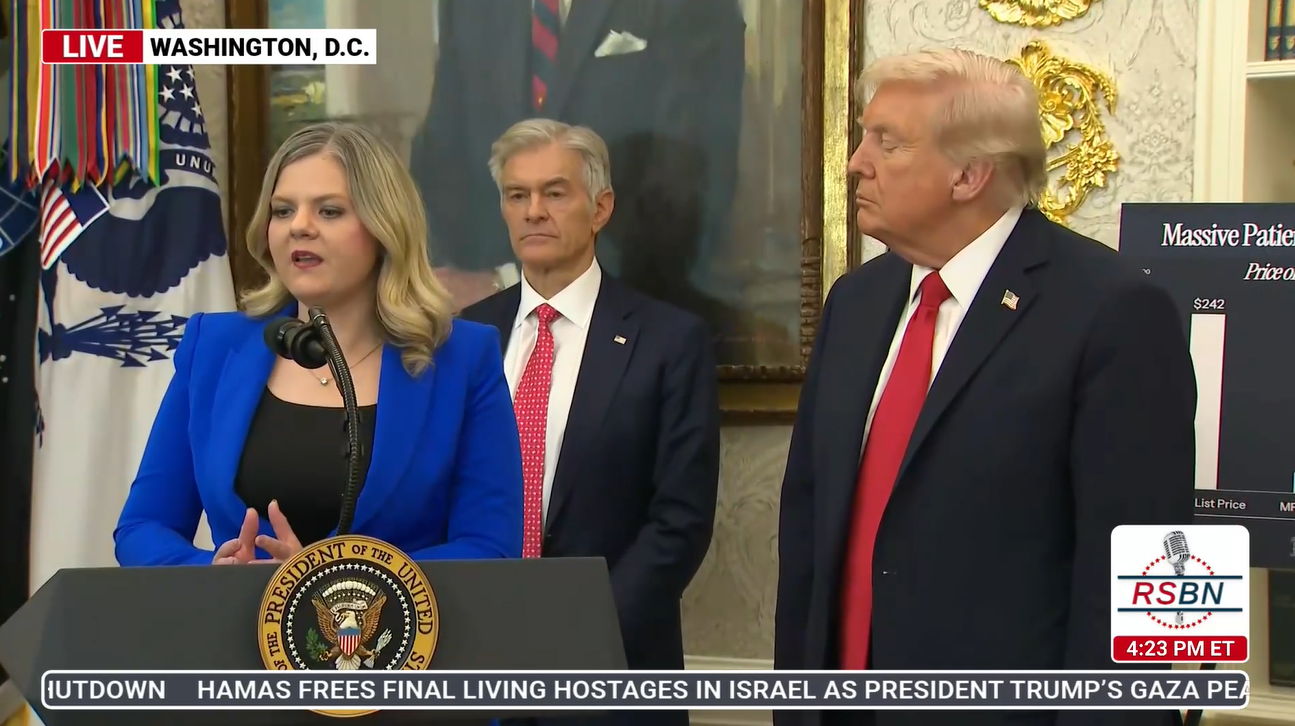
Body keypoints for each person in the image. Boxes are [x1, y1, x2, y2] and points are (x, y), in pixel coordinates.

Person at [773, 49, 1195, 726]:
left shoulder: (1113, 311)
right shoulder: (855, 303)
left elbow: (1144, 584)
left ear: (969, 174)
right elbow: (807, 530)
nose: (855, 162)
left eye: (887, 142)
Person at [114, 122, 524, 566]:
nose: (299, 227)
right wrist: (217, 572)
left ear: (383, 227)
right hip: (237, 611)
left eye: (329, 211)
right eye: (283, 211)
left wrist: (331, 578)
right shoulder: (212, 347)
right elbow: (143, 527)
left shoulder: (462, 358)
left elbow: (490, 547)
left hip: (390, 613)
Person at [459, 119, 720, 726]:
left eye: (554, 193)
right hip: (475, 666)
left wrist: (581, 632)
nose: (533, 211)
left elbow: (680, 521)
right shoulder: (465, 334)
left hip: (611, 672)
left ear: (601, 208)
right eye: (517, 195)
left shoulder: (669, 341)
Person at [411, 0, 745, 310]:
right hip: (489, 324)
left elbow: (688, 193)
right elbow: (441, 161)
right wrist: (439, 283)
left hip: (627, 318)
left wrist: (510, 283)